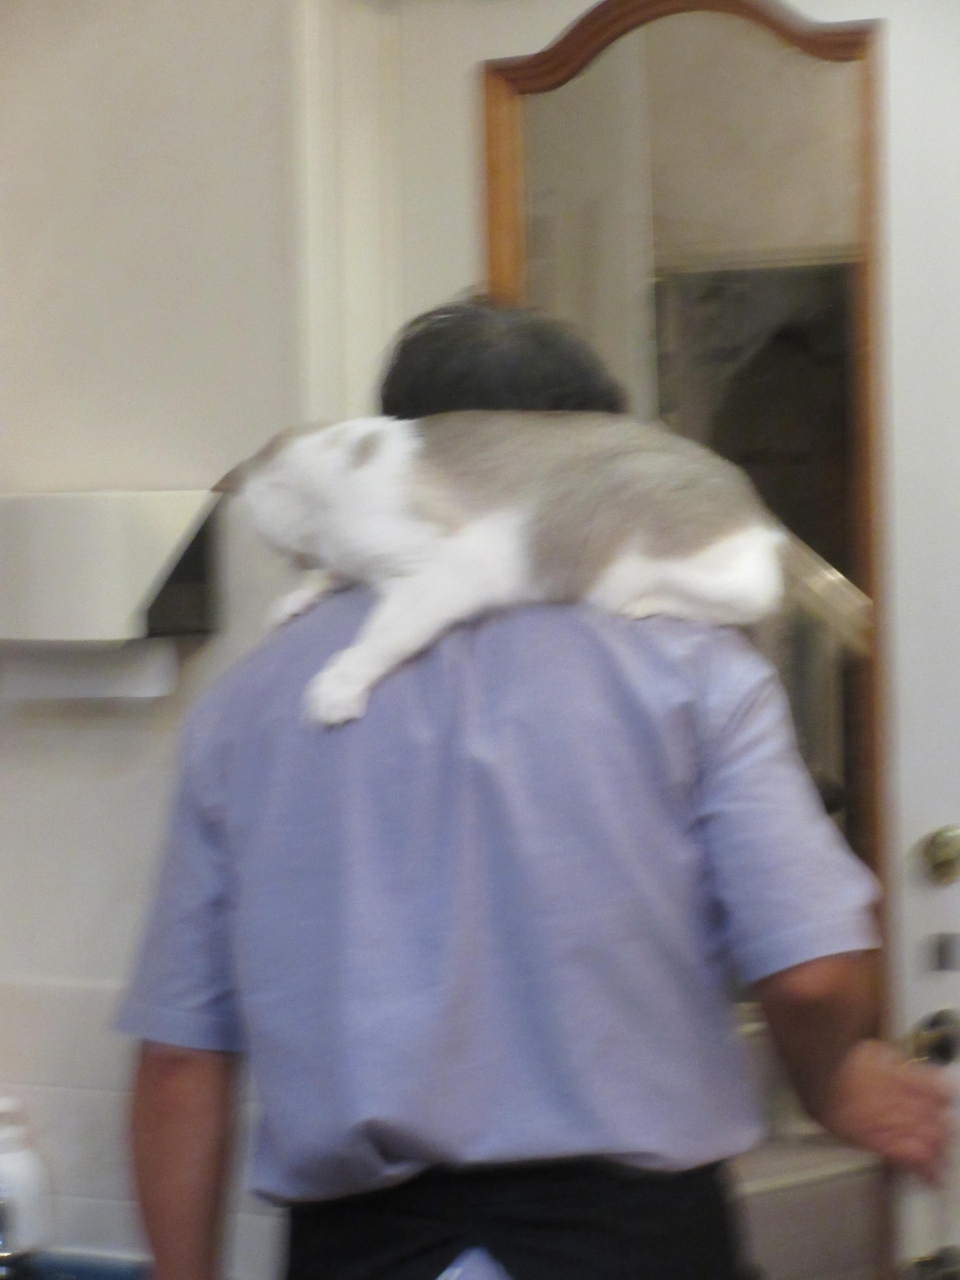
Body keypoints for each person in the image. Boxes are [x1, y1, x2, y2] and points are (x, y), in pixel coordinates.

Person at [119, 299, 950, 1280]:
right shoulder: (692, 668)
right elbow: (810, 972)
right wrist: (834, 1078)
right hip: (632, 1247)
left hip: (364, 1252)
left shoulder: (250, 704)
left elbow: (180, 1060)